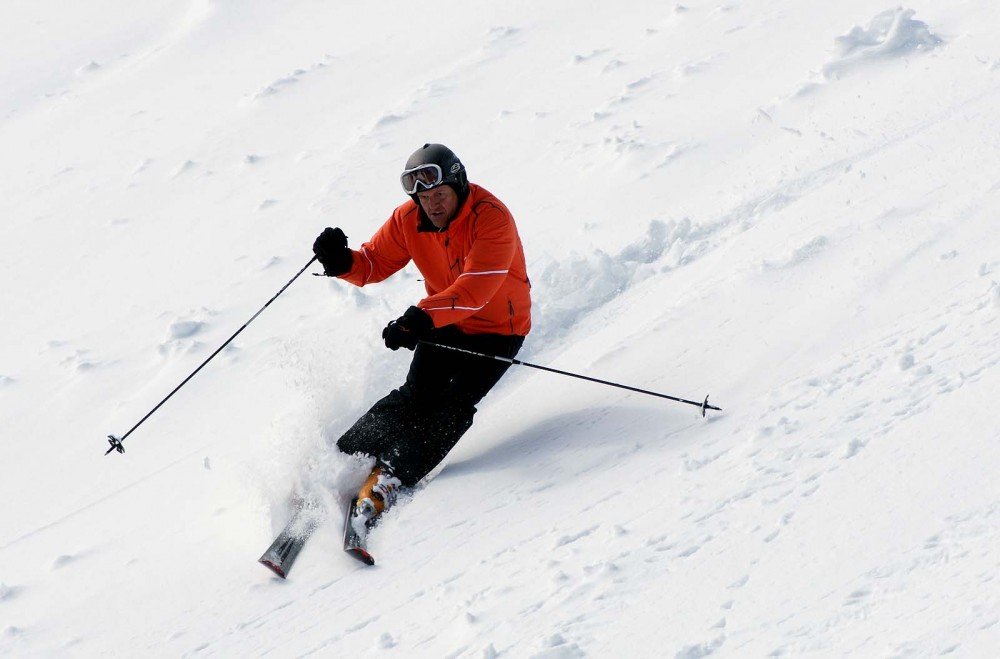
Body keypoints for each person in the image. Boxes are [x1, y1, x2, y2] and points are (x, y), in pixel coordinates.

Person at [312, 143, 531, 523]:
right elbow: (372, 264)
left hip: (498, 330)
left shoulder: (491, 219)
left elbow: (475, 291)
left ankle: (392, 476)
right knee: (415, 396)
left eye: (440, 195)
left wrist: (420, 318)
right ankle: (343, 459)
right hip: (443, 321)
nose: (432, 205)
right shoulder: (408, 219)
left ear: (459, 186)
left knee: (451, 406)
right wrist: (340, 261)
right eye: (424, 198)